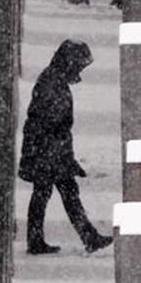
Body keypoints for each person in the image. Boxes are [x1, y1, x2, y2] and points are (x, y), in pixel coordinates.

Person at [18, 39, 114, 255]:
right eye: (78, 66)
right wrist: (63, 159)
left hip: (48, 152)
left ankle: (46, 239)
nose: (79, 71)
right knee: (55, 193)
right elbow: (52, 127)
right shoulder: (52, 85)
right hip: (47, 153)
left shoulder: (53, 81)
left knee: (50, 193)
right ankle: (85, 237)